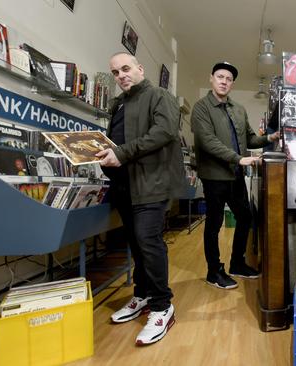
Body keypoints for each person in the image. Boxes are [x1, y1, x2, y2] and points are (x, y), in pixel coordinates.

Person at [96, 52, 186, 345]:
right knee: (135, 243)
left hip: (151, 183)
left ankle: (162, 306)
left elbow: (163, 132)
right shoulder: (118, 103)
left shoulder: (159, 95)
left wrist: (120, 153)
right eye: (115, 72)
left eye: (125, 69)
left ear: (139, 69)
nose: (121, 75)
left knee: (149, 240)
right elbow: (118, 142)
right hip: (124, 186)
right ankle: (142, 294)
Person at [191, 61, 279, 290]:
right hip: (214, 176)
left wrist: (270, 138)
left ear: (232, 84)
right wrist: (239, 158)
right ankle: (213, 271)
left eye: (229, 79)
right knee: (214, 224)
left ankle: (237, 263)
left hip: (235, 176)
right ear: (211, 78)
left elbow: (250, 139)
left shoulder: (238, 109)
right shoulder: (201, 108)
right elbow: (207, 141)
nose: (224, 81)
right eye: (220, 76)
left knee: (246, 217)